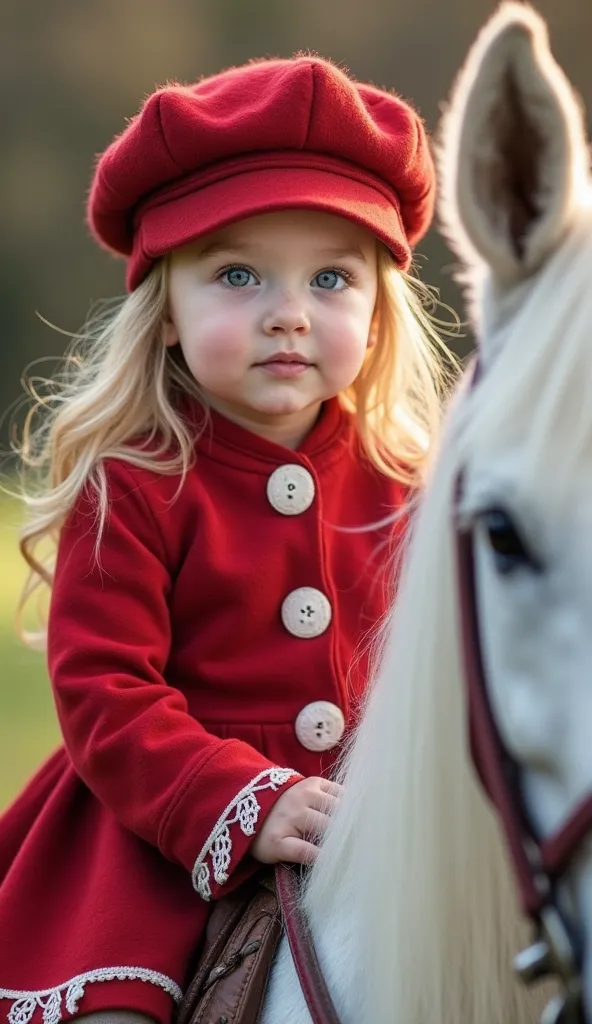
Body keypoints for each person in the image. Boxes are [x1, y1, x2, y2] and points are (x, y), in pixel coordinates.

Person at [0, 54, 451, 1024]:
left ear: (375, 318)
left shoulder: (414, 494)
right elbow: (105, 694)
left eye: (330, 277)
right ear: (165, 309)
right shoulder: (133, 482)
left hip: (376, 827)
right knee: (117, 1015)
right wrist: (239, 798)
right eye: (237, 273)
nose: (288, 310)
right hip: (162, 825)